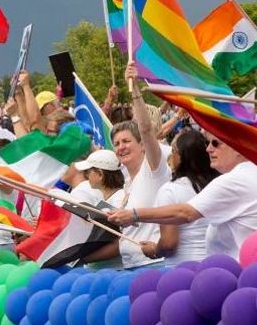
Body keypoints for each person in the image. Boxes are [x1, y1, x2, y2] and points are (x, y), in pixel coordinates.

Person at [109, 132, 257, 258]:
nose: (209, 149)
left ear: (238, 147)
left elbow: (185, 214)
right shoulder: (245, 174)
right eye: (207, 143)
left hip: (208, 272)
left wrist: (133, 215)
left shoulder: (233, 180)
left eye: (216, 143)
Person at [87, 62, 170, 269]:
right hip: (130, 267)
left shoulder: (153, 170)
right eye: (116, 144)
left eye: (126, 141)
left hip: (153, 266)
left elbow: (146, 129)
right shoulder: (127, 180)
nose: (120, 147)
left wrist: (133, 90)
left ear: (142, 144)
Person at [135, 130, 218, 264]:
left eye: (173, 151)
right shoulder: (218, 185)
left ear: (181, 156)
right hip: (217, 264)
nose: (171, 155)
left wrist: (154, 249)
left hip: (182, 268)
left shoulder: (170, 190)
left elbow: (169, 243)